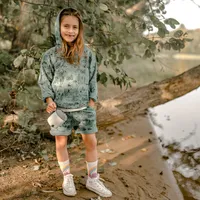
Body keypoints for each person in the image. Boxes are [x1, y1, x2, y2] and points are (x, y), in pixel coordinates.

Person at [37, 7, 112, 198]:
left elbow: (92, 79)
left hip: (84, 108)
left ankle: (93, 178)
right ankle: (67, 177)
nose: (70, 31)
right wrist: (49, 100)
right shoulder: (50, 55)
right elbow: (45, 80)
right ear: (58, 27)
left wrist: (92, 102)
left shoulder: (88, 55)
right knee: (61, 143)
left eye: (74, 27)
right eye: (66, 26)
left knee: (91, 142)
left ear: (80, 30)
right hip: (60, 110)